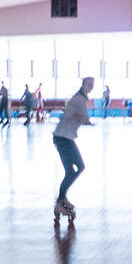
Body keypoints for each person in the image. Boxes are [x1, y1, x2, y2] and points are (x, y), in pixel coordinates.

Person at [53, 75, 93, 222]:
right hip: (63, 138)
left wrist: (82, 119)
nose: (91, 86)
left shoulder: (80, 98)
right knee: (76, 168)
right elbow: (83, 117)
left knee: (75, 169)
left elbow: (79, 116)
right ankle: (59, 202)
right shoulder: (79, 100)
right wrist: (85, 121)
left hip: (65, 137)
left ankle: (62, 198)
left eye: (92, 84)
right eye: (89, 83)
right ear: (84, 85)